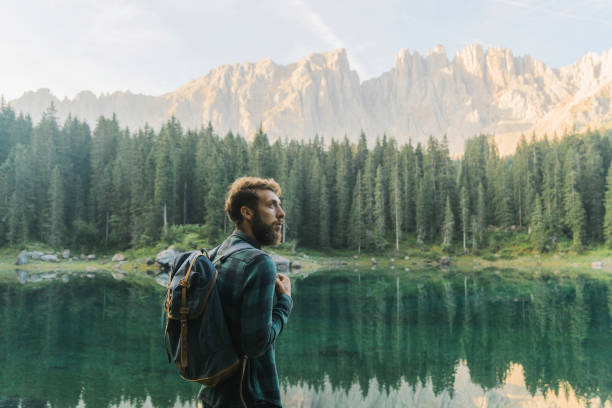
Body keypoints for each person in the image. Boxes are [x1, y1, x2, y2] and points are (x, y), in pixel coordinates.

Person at [198, 177, 293, 408]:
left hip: (211, 394)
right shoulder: (258, 262)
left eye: (279, 205)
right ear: (246, 212)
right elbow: (256, 345)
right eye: (271, 205)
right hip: (249, 399)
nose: (281, 213)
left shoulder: (214, 255)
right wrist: (285, 303)